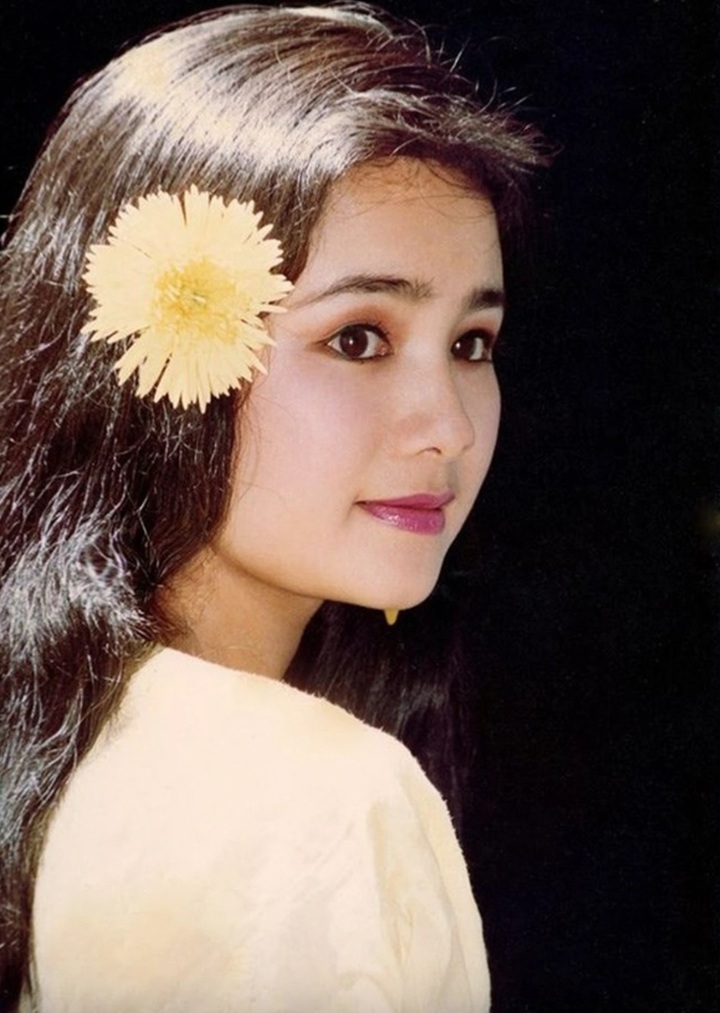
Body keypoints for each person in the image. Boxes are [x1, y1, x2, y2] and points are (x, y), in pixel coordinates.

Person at [0, 4, 543, 1010]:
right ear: (158, 350)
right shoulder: (321, 799)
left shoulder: (62, 744)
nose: (449, 428)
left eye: (472, 344)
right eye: (358, 338)